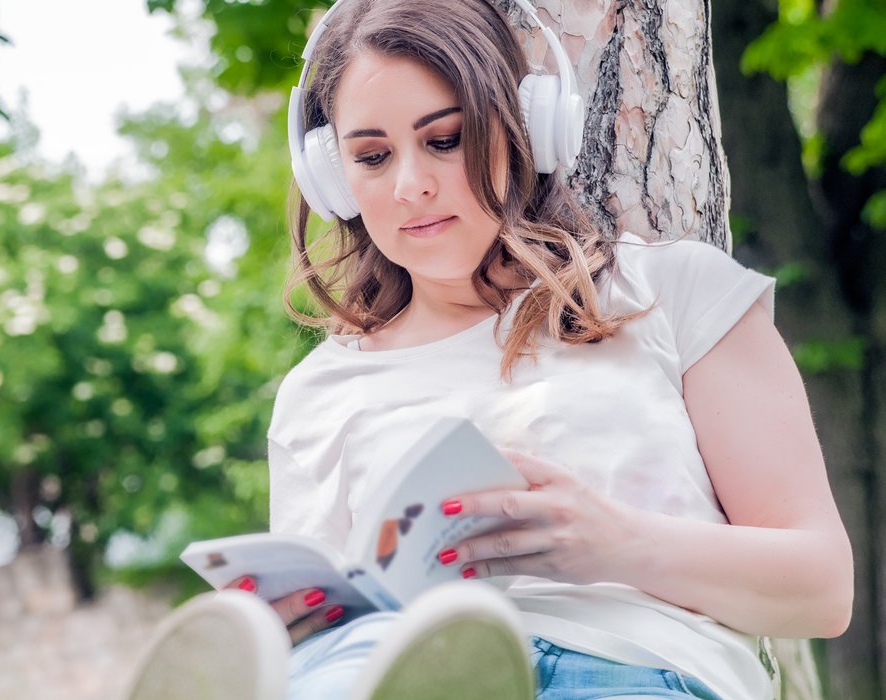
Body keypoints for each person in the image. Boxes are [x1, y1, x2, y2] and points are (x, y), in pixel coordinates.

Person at [120, 0, 854, 698]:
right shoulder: (320, 390)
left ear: (523, 128)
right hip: (399, 670)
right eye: (372, 157)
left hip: (626, 668)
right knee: (331, 664)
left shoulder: (671, 292)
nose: (411, 186)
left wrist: (611, 542)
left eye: (444, 139)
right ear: (331, 176)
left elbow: (824, 590)